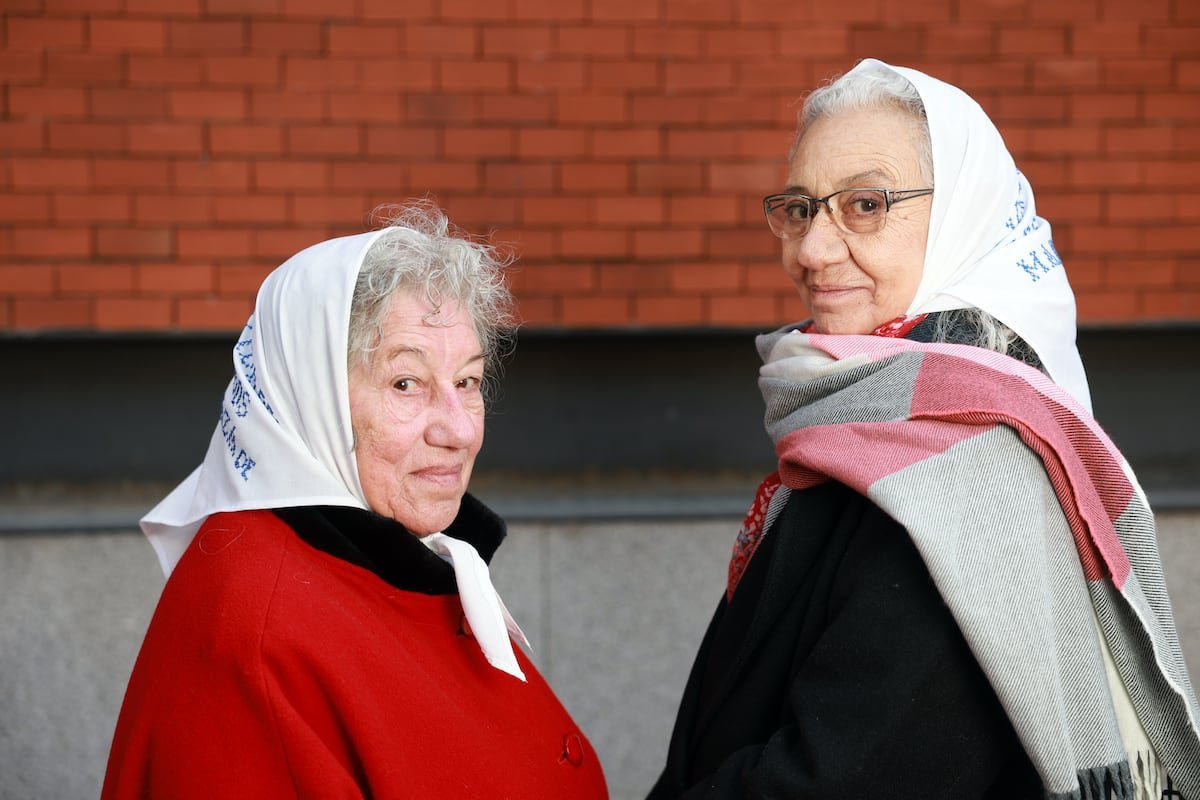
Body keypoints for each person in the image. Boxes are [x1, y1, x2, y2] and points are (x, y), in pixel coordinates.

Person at [648, 59, 1200, 799]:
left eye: (866, 204)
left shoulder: (964, 475)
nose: (812, 250)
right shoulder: (869, 419)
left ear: (961, 220)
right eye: (801, 207)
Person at [102, 201, 608, 799]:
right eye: (406, 383)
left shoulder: (384, 557)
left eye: (467, 382)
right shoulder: (256, 640)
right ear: (310, 398)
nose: (461, 429)